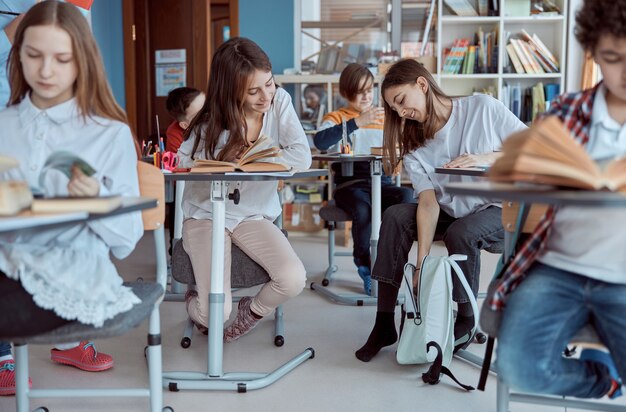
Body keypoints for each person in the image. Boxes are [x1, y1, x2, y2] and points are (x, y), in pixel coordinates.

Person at [0, 0, 143, 388]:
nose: (46, 71)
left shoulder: (107, 134)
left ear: (82, 60)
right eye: (34, 56)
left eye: (61, 58)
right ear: (18, 57)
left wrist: (97, 199)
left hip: (68, 282)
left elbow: (127, 243)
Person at [355, 58, 526, 362]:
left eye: (401, 101)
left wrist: (487, 158)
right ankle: (383, 323)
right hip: (453, 208)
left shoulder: (482, 108)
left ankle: (465, 319)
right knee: (395, 216)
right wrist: (421, 265)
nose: (401, 112)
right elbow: (429, 203)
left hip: (502, 206)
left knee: (462, 232)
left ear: (422, 84)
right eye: (394, 109)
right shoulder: (414, 145)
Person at [496, 0, 626, 399]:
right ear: (594, 53)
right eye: (612, 58)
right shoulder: (567, 112)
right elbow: (524, 176)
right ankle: (603, 381)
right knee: (517, 365)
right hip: (559, 268)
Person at [178, 37, 311, 342]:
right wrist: (219, 159)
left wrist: (261, 159)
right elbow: (183, 160)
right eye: (253, 91)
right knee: (214, 314)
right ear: (231, 91)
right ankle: (192, 301)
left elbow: (301, 156)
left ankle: (250, 311)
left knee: (293, 279)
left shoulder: (280, 103)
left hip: (252, 215)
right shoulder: (211, 120)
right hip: (206, 214)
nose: (265, 96)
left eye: (269, 83)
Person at [313, 63, 414, 295]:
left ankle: (393, 263)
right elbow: (320, 142)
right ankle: (367, 269)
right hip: (350, 185)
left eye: (369, 90)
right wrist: (357, 122)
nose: (367, 96)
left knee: (407, 197)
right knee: (362, 209)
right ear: (347, 94)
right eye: (360, 92)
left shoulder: (385, 117)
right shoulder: (337, 117)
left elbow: (402, 145)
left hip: (383, 182)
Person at [164, 86, 205, 153]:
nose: (208, 113)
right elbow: (179, 161)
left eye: (207, 106)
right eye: (200, 114)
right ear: (185, 125)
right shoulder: (174, 134)